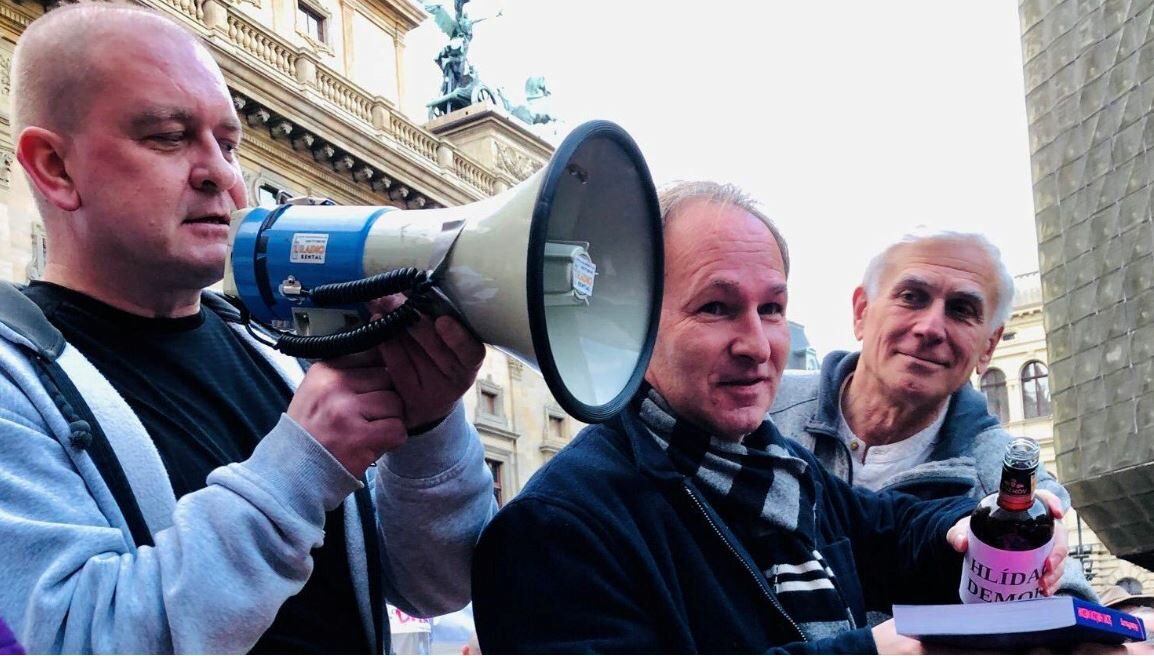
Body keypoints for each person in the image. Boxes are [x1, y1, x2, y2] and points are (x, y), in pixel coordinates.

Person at [0, 4, 494, 653]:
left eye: (228, 144)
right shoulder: (15, 382)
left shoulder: (281, 352)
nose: (222, 174)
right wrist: (300, 466)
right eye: (168, 136)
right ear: (55, 168)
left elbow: (436, 588)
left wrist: (428, 438)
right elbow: (81, 637)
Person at [470, 181, 1069, 653]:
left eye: (772, 308)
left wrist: (988, 524)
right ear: (635, 324)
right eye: (717, 307)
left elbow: (895, 531)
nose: (758, 344)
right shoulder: (555, 529)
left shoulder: (776, 465)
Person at [768, 227, 1094, 602]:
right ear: (861, 312)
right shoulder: (759, 411)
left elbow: (1066, 611)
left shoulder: (1005, 481)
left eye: (961, 310)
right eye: (911, 297)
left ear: (988, 346)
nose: (930, 328)